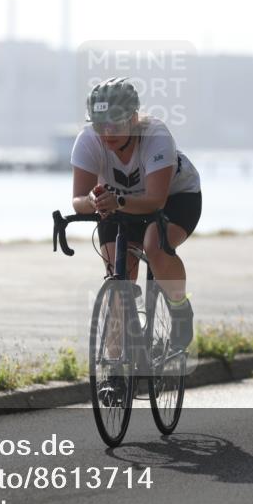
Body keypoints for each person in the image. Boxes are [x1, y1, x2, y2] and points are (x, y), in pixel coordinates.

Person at [70, 76, 202, 351]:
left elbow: (155, 200)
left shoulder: (156, 136)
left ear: (133, 119)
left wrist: (116, 201)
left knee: (154, 246)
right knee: (119, 283)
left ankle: (179, 310)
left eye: (116, 123)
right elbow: (78, 200)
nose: (107, 133)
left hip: (175, 198)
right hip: (117, 203)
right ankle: (116, 375)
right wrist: (93, 201)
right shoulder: (87, 141)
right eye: (99, 125)